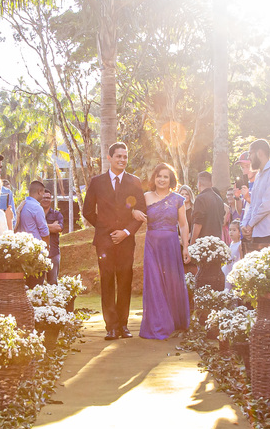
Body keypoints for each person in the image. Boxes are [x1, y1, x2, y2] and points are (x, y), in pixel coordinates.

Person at [82, 142, 146, 340]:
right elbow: (87, 211)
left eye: (125, 156)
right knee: (107, 281)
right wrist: (104, 229)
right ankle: (111, 326)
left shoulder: (135, 182)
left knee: (125, 281)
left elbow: (141, 213)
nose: (122, 160)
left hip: (127, 241)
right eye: (118, 156)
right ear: (109, 158)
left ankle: (123, 326)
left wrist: (126, 232)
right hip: (104, 241)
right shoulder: (97, 182)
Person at [134, 162, 191, 340]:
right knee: (155, 282)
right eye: (159, 176)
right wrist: (134, 211)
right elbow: (133, 211)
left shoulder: (177, 199)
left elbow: (183, 224)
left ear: (171, 179)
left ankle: (175, 320)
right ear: (154, 178)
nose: (162, 179)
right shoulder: (146, 197)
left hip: (171, 245)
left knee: (172, 282)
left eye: (166, 176)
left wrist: (186, 247)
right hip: (152, 245)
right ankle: (158, 324)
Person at [240, 138, 270, 249]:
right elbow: (253, 204)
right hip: (257, 232)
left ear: (260, 153)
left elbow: (267, 204)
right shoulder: (258, 175)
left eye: (250, 153)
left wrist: (250, 224)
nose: (249, 158)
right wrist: (244, 225)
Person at [189, 170, 225, 242]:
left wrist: (192, 243)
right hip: (217, 241)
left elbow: (198, 223)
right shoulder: (219, 199)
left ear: (199, 184)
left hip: (203, 243)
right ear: (212, 184)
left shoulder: (200, 198)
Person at [42, 190, 64, 283]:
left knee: (53, 283)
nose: (46, 200)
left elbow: (59, 228)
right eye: (44, 197)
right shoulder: (36, 213)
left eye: (48, 198)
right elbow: (54, 227)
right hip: (39, 254)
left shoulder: (56, 214)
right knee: (37, 284)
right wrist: (51, 226)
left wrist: (41, 226)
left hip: (53, 253)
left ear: (51, 199)